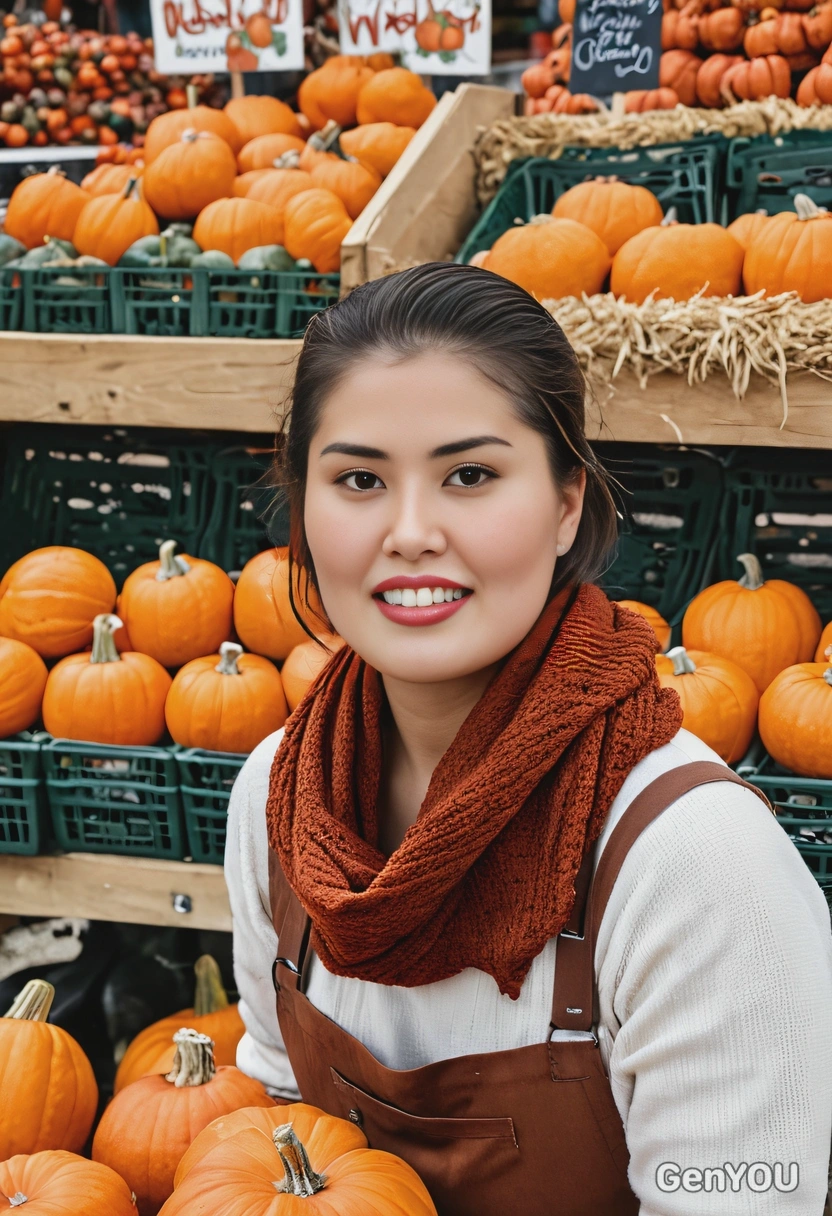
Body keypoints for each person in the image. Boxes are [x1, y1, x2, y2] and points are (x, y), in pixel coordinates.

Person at [225, 262, 832, 1215]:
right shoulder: (277, 797)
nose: (411, 531)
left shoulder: (695, 864)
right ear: (301, 504)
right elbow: (277, 1128)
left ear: (566, 506)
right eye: (357, 479)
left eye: (470, 474)